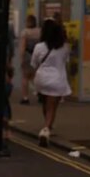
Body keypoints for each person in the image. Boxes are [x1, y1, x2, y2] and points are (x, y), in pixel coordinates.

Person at [31, 19, 71, 147]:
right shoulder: (65, 47)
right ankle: (46, 129)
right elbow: (66, 62)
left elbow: (34, 64)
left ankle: (48, 126)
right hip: (57, 80)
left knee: (45, 104)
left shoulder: (39, 47)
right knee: (52, 107)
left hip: (41, 79)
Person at [18, 14, 41, 104]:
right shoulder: (39, 31)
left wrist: (21, 58)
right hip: (37, 55)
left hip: (28, 55)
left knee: (25, 77)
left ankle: (25, 97)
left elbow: (22, 47)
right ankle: (40, 94)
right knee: (37, 77)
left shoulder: (25, 32)